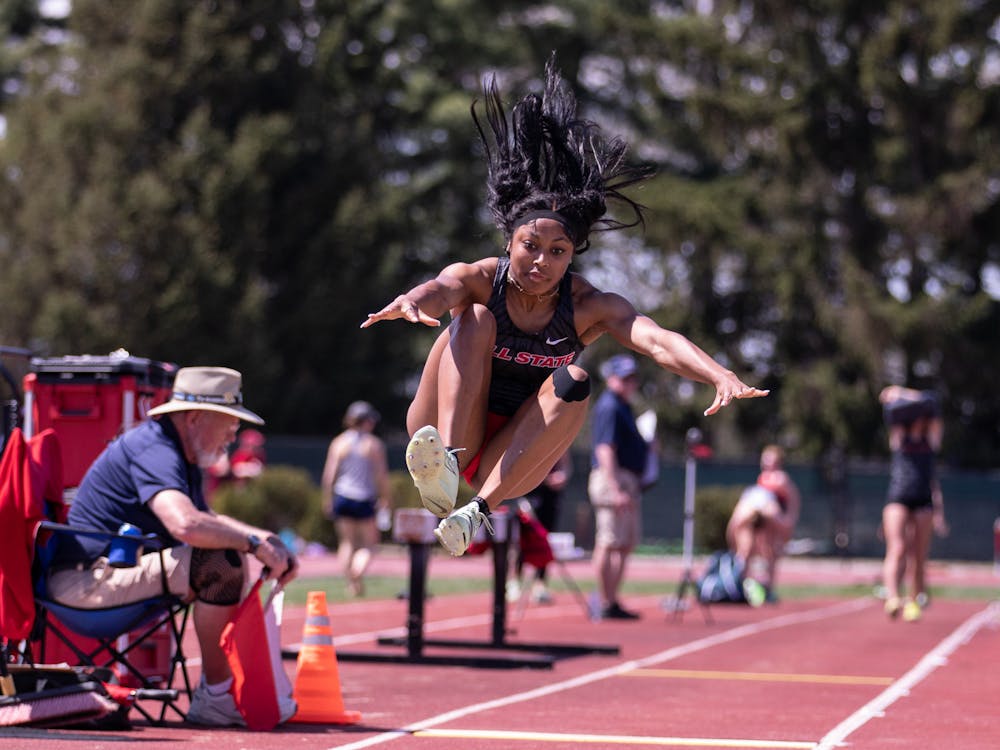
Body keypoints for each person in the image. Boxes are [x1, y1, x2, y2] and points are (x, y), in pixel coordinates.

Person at [360, 57, 768, 557]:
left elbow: (655, 339)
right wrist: (410, 301)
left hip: (508, 454)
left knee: (575, 380)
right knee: (476, 315)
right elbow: (442, 288)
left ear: (573, 255)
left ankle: (476, 512)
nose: (541, 261)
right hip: (447, 425)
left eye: (558, 252)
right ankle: (441, 466)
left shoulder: (586, 306)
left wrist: (719, 373)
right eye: (530, 245)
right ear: (509, 240)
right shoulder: (481, 278)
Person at [47, 367, 298, 727]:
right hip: (86, 584)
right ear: (195, 418)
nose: (234, 433)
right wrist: (254, 544)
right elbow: (186, 524)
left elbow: (204, 517)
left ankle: (218, 693)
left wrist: (266, 540)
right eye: (228, 421)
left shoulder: (177, 448)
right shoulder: (155, 448)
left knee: (224, 549)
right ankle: (216, 697)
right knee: (220, 561)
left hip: (107, 574)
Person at [879, 385, 947, 622]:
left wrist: (906, 393)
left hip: (923, 497)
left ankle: (913, 599)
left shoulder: (931, 437)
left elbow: (934, 401)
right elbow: (886, 399)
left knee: (918, 555)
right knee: (896, 548)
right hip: (898, 495)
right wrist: (897, 392)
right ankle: (892, 597)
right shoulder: (899, 435)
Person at [588, 354, 647, 619]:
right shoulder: (610, 406)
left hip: (626, 479)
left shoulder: (623, 406)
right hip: (614, 478)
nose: (630, 383)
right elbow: (605, 449)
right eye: (624, 378)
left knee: (623, 543)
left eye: (632, 378)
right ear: (611, 379)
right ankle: (603, 600)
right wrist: (615, 487)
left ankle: (612, 599)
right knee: (609, 540)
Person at [321, 400, 391, 597]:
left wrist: (327, 498)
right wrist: (385, 497)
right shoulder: (373, 445)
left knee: (347, 542)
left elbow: (329, 475)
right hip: (364, 498)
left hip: (342, 496)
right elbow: (381, 475)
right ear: (367, 421)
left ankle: (351, 585)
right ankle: (356, 572)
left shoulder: (339, 442)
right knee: (369, 544)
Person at [725, 445, 801, 602]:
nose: (766, 463)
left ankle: (768, 588)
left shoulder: (781, 478)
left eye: (770, 460)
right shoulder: (761, 481)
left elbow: (793, 499)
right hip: (757, 513)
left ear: (778, 462)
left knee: (770, 552)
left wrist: (788, 520)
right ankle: (739, 583)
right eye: (764, 460)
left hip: (769, 516)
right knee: (745, 549)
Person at [509, 451, 572, 605]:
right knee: (523, 539)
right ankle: (514, 581)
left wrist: (562, 476)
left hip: (550, 497)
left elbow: (566, 466)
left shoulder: (560, 437)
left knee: (545, 540)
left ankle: (540, 585)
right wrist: (542, 478)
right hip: (529, 494)